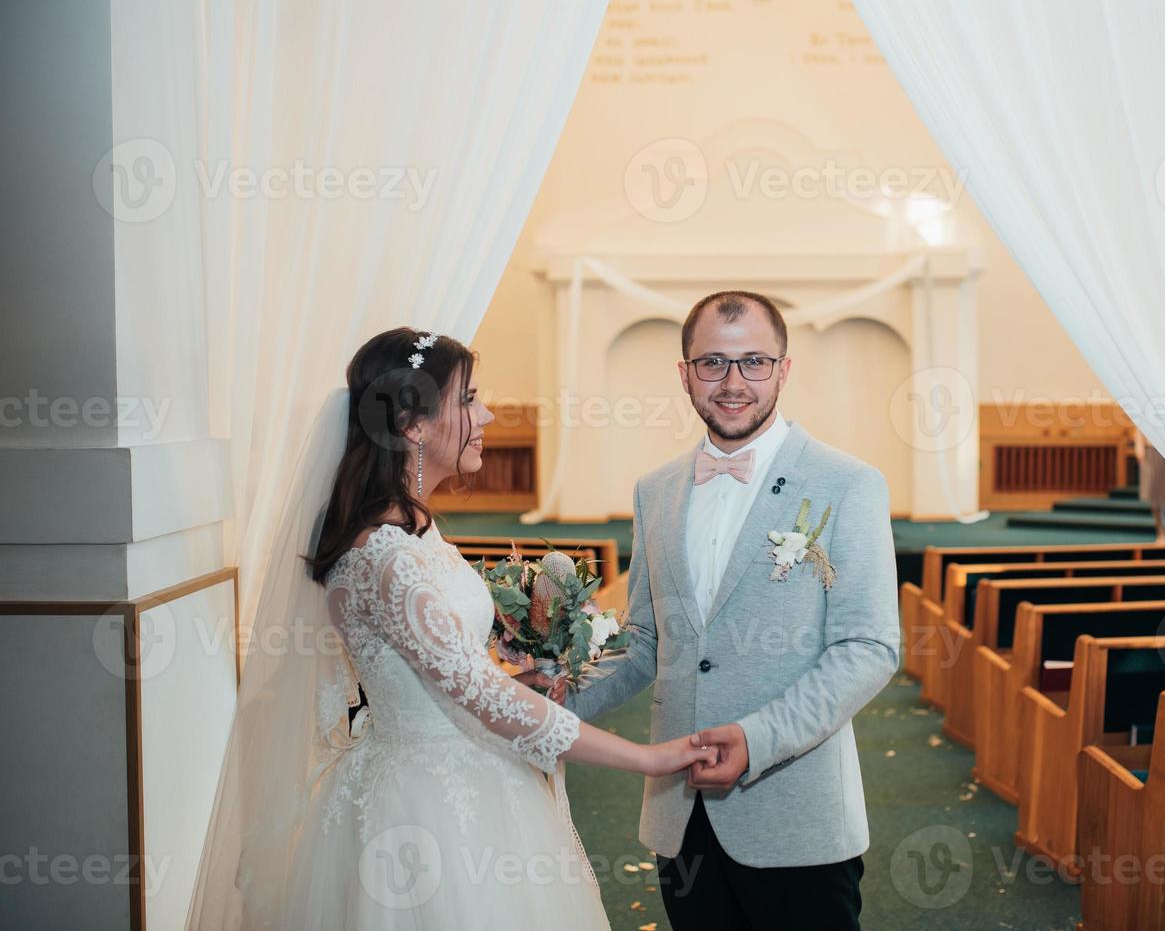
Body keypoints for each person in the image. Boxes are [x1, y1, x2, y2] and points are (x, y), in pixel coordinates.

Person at [187, 328, 715, 930]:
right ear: (413, 425)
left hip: (467, 777)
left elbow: (442, 664)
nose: (486, 414)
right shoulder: (389, 556)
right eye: (469, 400)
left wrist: (515, 668)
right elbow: (481, 698)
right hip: (426, 810)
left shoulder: (415, 532)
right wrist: (647, 758)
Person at [530, 291, 901, 930]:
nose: (733, 383)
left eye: (754, 362)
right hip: (680, 816)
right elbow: (649, 639)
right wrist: (550, 705)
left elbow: (868, 648)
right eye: (712, 364)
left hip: (795, 813)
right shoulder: (657, 490)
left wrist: (758, 741)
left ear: (785, 369)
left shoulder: (848, 483)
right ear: (684, 373)